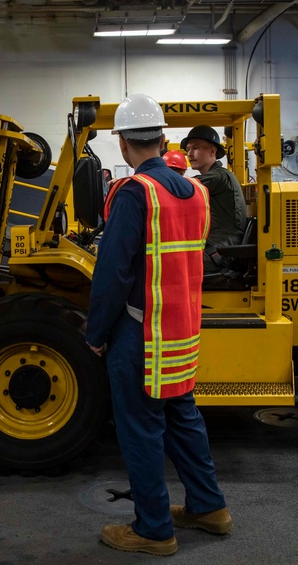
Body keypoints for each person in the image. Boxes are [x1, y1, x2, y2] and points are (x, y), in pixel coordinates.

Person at [86, 94, 232, 557]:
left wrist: (95, 334)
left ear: (125, 144)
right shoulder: (198, 192)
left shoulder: (134, 193)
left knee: (141, 427)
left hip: (139, 331)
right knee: (183, 417)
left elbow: (112, 275)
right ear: (164, 138)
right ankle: (210, 508)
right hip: (181, 329)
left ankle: (153, 530)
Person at [181, 125, 248, 281]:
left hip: (220, 254)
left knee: (164, 266)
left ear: (212, 151)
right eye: (188, 149)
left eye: (196, 148)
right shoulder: (217, 177)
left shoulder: (218, 177)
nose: (190, 154)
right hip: (217, 249)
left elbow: (182, 187)